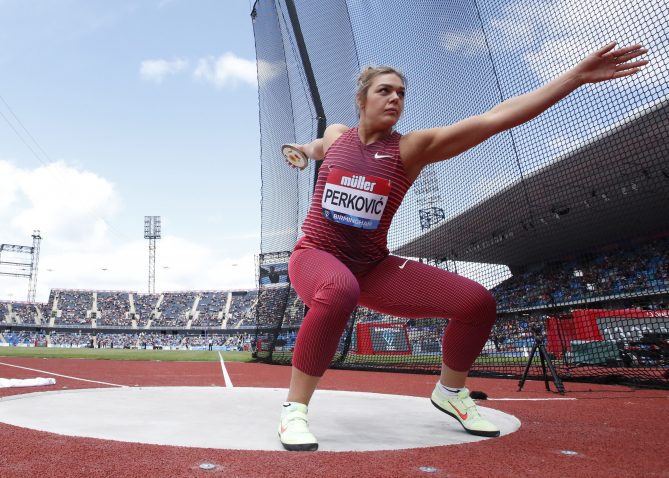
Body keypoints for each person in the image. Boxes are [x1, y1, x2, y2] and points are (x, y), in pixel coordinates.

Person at [277, 42, 649, 451]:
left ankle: (451, 392)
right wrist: (302, 149)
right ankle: (295, 409)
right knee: (338, 289)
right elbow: (319, 147)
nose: (395, 98)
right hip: (316, 255)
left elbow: (494, 119)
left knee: (477, 303)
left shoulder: (411, 148)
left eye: (401, 93)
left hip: (370, 267)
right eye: (385, 90)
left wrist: (574, 77)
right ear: (361, 99)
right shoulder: (337, 136)